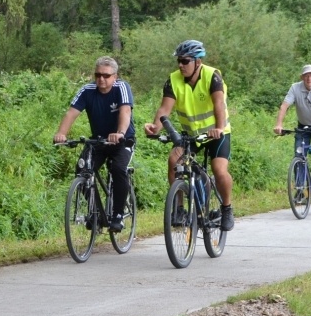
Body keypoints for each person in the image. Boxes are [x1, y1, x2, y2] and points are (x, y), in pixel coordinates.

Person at [143, 39, 234, 231]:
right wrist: (155, 127)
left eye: (185, 61)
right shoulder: (173, 79)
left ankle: (227, 207)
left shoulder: (212, 76)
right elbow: (164, 109)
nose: (180, 65)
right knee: (173, 162)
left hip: (216, 133)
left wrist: (218, 128)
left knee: (219, 170)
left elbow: (218, 104)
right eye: (179, 61)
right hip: (191, 134)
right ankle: (179, 208)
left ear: (197, 62)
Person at [53, 56, 135, 232]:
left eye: (106, 75)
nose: (101, 79)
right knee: (82, 171)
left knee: (118, 169)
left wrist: (120, 133)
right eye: (98, 75)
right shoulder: (87, 90)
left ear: (115, 76)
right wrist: (61, 133)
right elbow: (71, 113)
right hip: (98, 141)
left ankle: (118, 215)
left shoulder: (122, 87)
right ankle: (96, 212)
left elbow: (125, 111)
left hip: (122, 140)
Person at [274, 64, 311, 184]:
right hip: (304, 126)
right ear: (302, 77)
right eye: (306, 76)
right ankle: (300, 189)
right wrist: (279, 124)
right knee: (299, 155)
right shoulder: (295, 88)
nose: (309, 79)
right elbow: (284, 106)